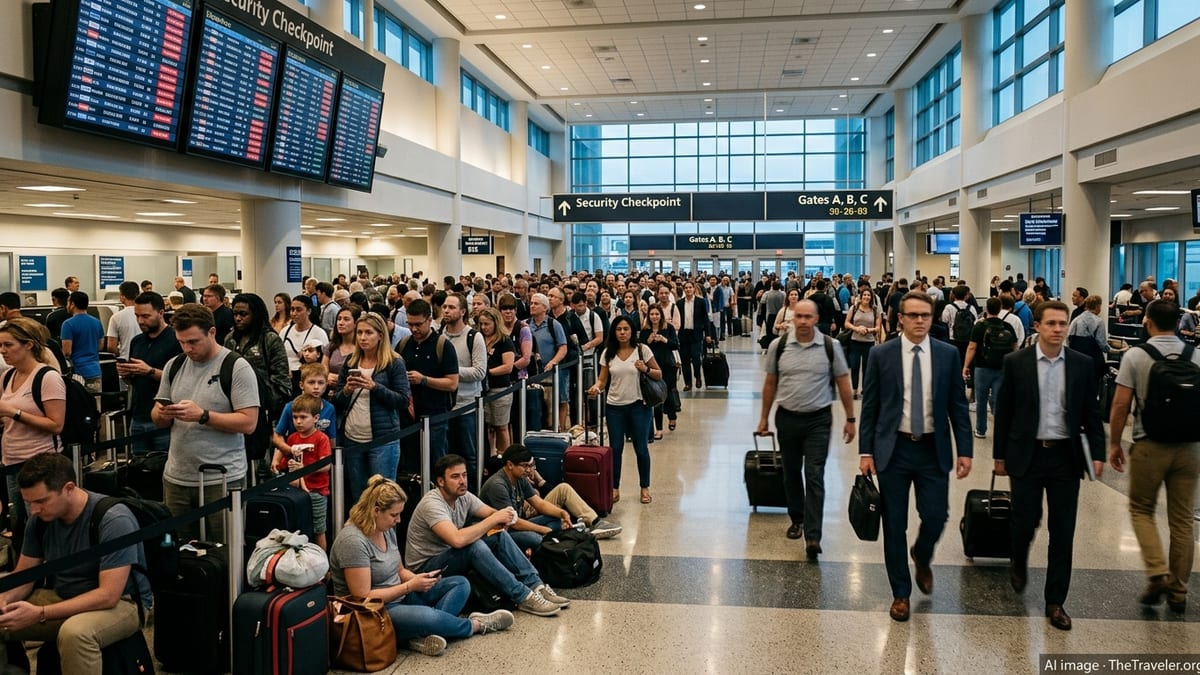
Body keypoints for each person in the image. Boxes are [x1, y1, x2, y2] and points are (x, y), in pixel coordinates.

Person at [858, 291, 973, 622]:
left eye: (925, 315)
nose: (920, 321)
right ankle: (901, 593)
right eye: (913, 315)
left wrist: (965, 449)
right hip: (894, 449)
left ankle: (922, 555)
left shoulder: (948, 354)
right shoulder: (882, 355)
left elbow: (957, 406)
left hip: (932, 448)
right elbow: (871, 408)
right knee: (894, 522)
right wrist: (866, 451)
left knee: (936, 515)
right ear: (901, 319)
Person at [992, 300, 1104, 631]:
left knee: (1063, 530)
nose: (1057, 329)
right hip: (1027, 454)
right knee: (1024, 521)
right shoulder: (1016, 362)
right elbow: (1004, 412)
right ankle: (1019, 559)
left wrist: (1096, 453)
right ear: (1037, 326)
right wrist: (999, 457)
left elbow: (1091, 414)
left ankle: (1055, 601)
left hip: (1064, 458)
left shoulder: (1082, 365)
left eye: (1062, 323)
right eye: (1051, 323)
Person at [329, 475, 513, 657]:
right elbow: (362, 597)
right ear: (376, 510)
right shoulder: (353, 542)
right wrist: (409, 586)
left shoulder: (385, 529)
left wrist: (418, 579)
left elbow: (399, 570)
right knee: (429, 616)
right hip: (376, 611)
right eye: (394, 515)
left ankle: (422, 633)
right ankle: (475, 625)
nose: (399, 520)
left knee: (460, 584)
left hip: (401, 595)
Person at [0, 454, 148, 674]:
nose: (34, 510)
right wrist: (4, 600)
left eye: (41, 501)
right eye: (29, 502)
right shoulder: (38, 522)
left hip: (123, 604)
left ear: (69, 488)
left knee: (76, 633)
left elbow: (108, 595)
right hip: (64, 594)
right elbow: (25, 576)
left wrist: (41, 612)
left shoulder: (114, 519)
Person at [1108, 299, 1200, 615]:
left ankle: (1158, 571)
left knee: (1141, 509)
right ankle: (1178, 592)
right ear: (1178, 323)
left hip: (1150, 445)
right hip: (1189, 448)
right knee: (1183, 520)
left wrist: (1114, 444)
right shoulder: (1196, 355)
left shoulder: (1136, 355)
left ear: (1147, 321)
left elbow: (1120, 405)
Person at [404, 455, 567, 618]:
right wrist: (494, 519)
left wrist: (503, 517)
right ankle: (523, 596)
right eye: (455, 476)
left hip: (448, 558)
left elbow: (491, 513)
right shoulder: (432, 504)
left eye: (464, 475)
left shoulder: (464, 497)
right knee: (475, 547)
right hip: (424, 570)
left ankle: (536, 586)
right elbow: (457, 539)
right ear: (440, 481)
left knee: (499, 536)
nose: (462, 481)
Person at [152, 303, 259, 544]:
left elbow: (249, 422)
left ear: (211, 332)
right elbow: (156, 415)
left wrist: (203, 415)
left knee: (224, 552)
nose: (187, 348)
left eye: (193, 341)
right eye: (181, 342)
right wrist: (163, 414)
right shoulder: (174, 365)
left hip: (221, 478)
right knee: (179, 553)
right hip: (177, 477)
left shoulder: (236, 367)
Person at [757, 300, 855, 560]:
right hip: (787, 418)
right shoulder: (778, 347)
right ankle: (797, 518)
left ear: (816, 319)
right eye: (798, 316)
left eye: (807, 317)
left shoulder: (830, 347)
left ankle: (813, 535)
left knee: (814, 475)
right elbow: (770, 384)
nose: (802, 321)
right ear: (792, 319)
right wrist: (764, 418)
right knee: (791, 472)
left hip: (818, 421)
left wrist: (851, 418)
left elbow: (844, 382)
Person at [479, 444, 621, 552]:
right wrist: (542, 529)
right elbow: (513, 523)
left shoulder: (519, 476)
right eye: (525, 466)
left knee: (555, 520)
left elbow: (539, 503)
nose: (529, 470)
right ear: (510, 465)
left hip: (520, 521)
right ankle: (558, 539)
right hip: (501, 532)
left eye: (531, 465)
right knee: (536, 538)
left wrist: (562, 513)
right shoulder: (497, 485)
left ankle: (569, 532)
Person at [0, 318, 67, 544]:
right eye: (0, 346)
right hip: (12, 462)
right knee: (22, 529)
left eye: (8, 345)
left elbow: (56, 424)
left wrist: (14, 412)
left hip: (40, 463)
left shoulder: (47, 377)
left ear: (28, 345)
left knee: (42, 528)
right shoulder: (8, 376)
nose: (3, 351)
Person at [333, 312, 411, 500]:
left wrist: (375, 387)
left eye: (368, 333)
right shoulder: (351, 361)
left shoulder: (394, 362)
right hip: (353, 437)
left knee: (383, 497)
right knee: (359, 497)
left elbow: (402, 400)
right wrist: (347, 391)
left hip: (383, 439)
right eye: (359, 333)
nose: (363, 337)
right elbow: (337, 400)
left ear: (380, 335)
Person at [587, 315, 662, 506]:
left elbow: (658, 373)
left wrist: (644, 368)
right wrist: (597, 387)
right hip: (614, 407)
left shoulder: (642, 350)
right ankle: (614, 488)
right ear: (614, 332)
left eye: (626, 329)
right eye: (619, 329)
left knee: (641, 448)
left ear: (632, 331)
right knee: (616, 448)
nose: (622, 333)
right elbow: (602, 379)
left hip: (639, 406)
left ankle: (644, 487)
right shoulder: (608, 353)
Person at [399, 299, 459, 467]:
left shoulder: (443, 346)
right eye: (410, 324)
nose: (414, 329)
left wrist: (423, 380)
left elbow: (452, 383)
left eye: (418, 324)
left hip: (436, 415)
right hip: (409, 416)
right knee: (411, 462)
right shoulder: (404, 344)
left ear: (429, 320)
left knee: (436, 462)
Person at [119, 292, 182, 455]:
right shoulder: (137, 341)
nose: (141, 321)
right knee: (139, 468)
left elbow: (181, 380)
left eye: (146, 316)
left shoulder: (176, 341)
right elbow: (133, 382)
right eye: (137, 316)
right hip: (138, 416)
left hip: (164, 419)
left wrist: (149, 371)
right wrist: (127, 374)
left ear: (161, 313)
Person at [271, 394, 332, 550]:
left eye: (303, 417)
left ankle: (322, 565)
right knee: (297, 529)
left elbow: (326, 465)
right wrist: (279, 465)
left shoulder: (321, 438)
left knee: (319, 530)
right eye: (295, 417)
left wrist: (304, 468)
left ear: (316, 418)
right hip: (295, 493)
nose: (298, 421)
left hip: (316, 491)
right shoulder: (291, 438)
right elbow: (285, 464)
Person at [225, 293, 291, 418]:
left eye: (243, 314)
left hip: (263, 409)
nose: (238, 318)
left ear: (255, 315)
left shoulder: (270, 340)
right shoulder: (230, 339)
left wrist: (265, 403)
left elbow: (282, 384)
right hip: (234, 407)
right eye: (235, 314)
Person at [961, 297, 1018, 439]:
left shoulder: (980, 326)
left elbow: (972, 347)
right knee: (999, 399)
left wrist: (966, 365)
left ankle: (980, 430)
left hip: (982, 367)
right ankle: (1000, 429)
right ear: (999, 310)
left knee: (981, 400)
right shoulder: (1007, 326)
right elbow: (1015, 347)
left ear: (986, 309)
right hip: (1002, 367)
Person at [476, 307, 515, 455]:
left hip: (500, 389)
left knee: (501, 426)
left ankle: (506, 455)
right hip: (483, 390)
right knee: (488, 426)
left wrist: (487, 372)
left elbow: (508, 367)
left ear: (495, 323)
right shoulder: (479, 339)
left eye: (487, 324)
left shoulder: (504, 341)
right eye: (482, 324)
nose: (484, 327)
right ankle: (491, 454)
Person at [639, 305, 679, 438]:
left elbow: (675, 344)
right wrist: (648, 341)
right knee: (656, 397)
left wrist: (664, 340)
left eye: (657, 314)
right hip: (653, 368)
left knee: (669, 394)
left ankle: (672, 415)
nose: (654, 317)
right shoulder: (645, 331)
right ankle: (659, 429)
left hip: (668, 366)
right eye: (652, 314)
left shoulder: (669, 328)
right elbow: (640, 347)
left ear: (661, 315)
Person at [280, 296, 329, 397]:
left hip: (306, 378)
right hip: (286, 377)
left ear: (309, 311)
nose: (294, 313)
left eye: (298, 310)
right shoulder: (285, 331)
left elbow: (324, 361)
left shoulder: (319, 333)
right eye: (292, 310)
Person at [60, 291, 104, 393]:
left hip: (78, 372)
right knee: (95, 403)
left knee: (80, 404)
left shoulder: (68, 324)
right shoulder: (97, 322)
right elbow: (100, 346)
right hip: (96, 370)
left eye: (68, 302)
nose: (67, 305)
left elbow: (67, 352)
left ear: (73, 304)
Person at [844, 288, 882, 399]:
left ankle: (865, 389)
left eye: (868, 295)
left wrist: (868, 330)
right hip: (855, 341)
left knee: (867, 367)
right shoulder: (854, 308)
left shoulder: (875, 310)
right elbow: (846, 323)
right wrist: (856, 328)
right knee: (854, 366)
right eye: (864, 295)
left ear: (871, 297)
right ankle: (854, 389)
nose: (866, 297)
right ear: (861, 297)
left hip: (869, 342)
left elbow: (878, 327)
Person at [676, 281, 710, 391]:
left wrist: (708, 334)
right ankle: (688, 383)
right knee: (685, 360)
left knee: (696, 358)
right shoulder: (680, 303)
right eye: (686, 288)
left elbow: (706, 319)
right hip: (683, 334)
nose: (688, 290)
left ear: (694, 289)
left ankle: (698, 376)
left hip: (696, 334)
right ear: (684, 290)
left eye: (690, 287)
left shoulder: (700, 302)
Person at [322, 304, 363, 390]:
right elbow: (323, 370)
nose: (341, 323)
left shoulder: (362, 347)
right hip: (331, 391)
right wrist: (327, 376)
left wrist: (341, 379)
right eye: (339, 319)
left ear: (356, 323)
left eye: (346, 319)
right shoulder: (331, 347)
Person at [104, 281, 141, 358]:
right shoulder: (146, 314)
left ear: (122, 296)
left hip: (125, 361)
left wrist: (120, 353)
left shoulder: (116, 317)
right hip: (145, 361)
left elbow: (111, 347)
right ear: (138, 295)